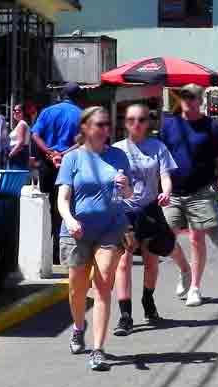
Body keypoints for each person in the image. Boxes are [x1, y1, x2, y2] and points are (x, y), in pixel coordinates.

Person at [56, 106, 132, 371]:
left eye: (107, 125)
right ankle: (78, 327)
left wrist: (126, 188)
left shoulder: (118, 157)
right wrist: (70, 219)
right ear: (86, 128)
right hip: (77, 231)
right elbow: (63, 198)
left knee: (102, 285)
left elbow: (128, 196)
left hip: (111, 228)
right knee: (77, 288)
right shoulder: (73, 159)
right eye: (99, 125)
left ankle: (98, 349)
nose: (105, 130)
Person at [159, 84, 218, 307]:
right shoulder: (169, 125)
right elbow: (159, 158)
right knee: (165, 237)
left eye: (193, 98)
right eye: (184, 97)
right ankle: (184, 268)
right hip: (173, 190)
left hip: (201, 190)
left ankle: (195, 288)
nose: (188, 101)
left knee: (196, 238)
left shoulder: (211, 127)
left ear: (201, 101)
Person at [112, 104, 178, 335]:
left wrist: (166, 192)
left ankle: (147, 299)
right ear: (125, 123)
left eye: (141, 119)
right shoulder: (116, 150)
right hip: (125, 211)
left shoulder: (157, 147)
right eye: (131, 119)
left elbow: (165, 175)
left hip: (150, 209)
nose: (136, 123)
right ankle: (125, 315)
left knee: (151, 260)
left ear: (147, 122)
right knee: (123, 261)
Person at [32, 82, 83, 264]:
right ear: (78, 97)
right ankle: (60, 252)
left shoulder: (47, 112)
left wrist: (49, 153)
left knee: (46, 207)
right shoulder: (81, 115)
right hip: (69, 165)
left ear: (62, 95)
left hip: (47, 165)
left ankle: (44, 251)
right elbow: (82, 141)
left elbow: (35, 135)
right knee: (65, 207)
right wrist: (62, 154)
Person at [7, 104, 31, 171]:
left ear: (23, 113)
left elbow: (21, 142)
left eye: (19, 111)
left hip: (18, 153)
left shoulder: (22, 124)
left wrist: (11, 154)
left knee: (15, 176)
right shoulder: (22, 124)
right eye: (14, 110)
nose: (15, 112)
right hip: (20, 152)